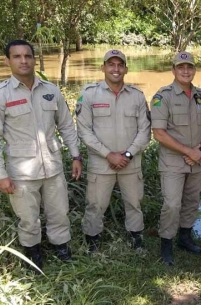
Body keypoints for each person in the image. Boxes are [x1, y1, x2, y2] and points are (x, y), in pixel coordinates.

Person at [0, 39, 82, 270]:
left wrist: (76, 156)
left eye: (27, 56)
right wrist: (0, 174)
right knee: (28, 218)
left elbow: (67, 126)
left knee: (59, 212)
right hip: (21, 172)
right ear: (7, 61)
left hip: (53, 166)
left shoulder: (51, 91)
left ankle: (61, 247)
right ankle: (33, 253)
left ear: (34, 59)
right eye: (17, 56)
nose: (23, 61)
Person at [76, 50, 151, 252]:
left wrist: (127, 155)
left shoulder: (136, 96)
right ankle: (92, 241)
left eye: (120, 65)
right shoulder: (89, 94)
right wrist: (108, 154)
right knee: (95, 205)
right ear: (103, 68)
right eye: (111, 64)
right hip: (101, 163)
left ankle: (136, 239)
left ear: (126, 69)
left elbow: (145, 131)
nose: (116, 69)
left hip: (130, 162)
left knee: (134, 203)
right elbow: (83, 130)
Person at [150, 51, 201, 265]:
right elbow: (159, 133)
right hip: (173, 162)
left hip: (197, 160)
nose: (186, 71)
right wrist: (189, 152)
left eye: (189, 67)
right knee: (171, 204)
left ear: (194, 70)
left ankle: (185, 238)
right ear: (173, 70)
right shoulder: (163, 97)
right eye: (181, 67)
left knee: (191, 201)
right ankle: (166, 244)